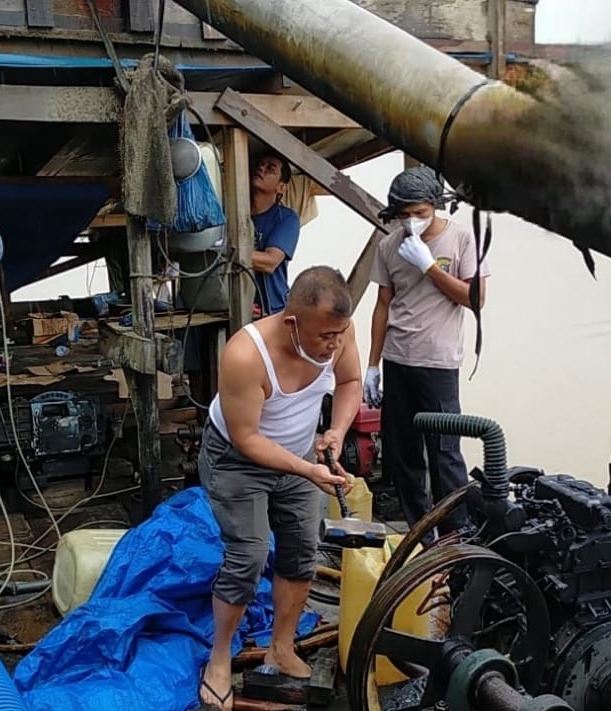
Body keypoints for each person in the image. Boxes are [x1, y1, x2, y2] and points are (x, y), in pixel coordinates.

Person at [198, 266, 362, 710]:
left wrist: (337, 432)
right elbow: (247, 438)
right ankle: (218, 658)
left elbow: (349, 383)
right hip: (237, 458)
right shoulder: (245, 355)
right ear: (292, 323)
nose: (334, 344)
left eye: (339, 334)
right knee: (248, 555)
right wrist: (306, 471)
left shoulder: (338, 334)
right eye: (325, 335)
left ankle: (281, 646)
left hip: (298, 457)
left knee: (301, 550)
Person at [365, 166, 490, 534]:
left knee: (445, 454)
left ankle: (456, 534)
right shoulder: (389, 246)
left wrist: (428, 266)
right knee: (403, 455)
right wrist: (372, 365)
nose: (412, 222)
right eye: (403, 216)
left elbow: (476, 299)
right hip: (398, 358)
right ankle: (420, 534)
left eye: (419, 214)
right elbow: (382, 305)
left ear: (435, 206)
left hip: (438, 362)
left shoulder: (462, 239)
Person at [250, 152, 301, 315]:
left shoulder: (287, 218)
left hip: (273, 311)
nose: (261, 168)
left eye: (270, 168)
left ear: (281, 187)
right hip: (236, 307)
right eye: (260, 164)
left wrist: (223, 253)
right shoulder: (232, 212)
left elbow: (270, 262)